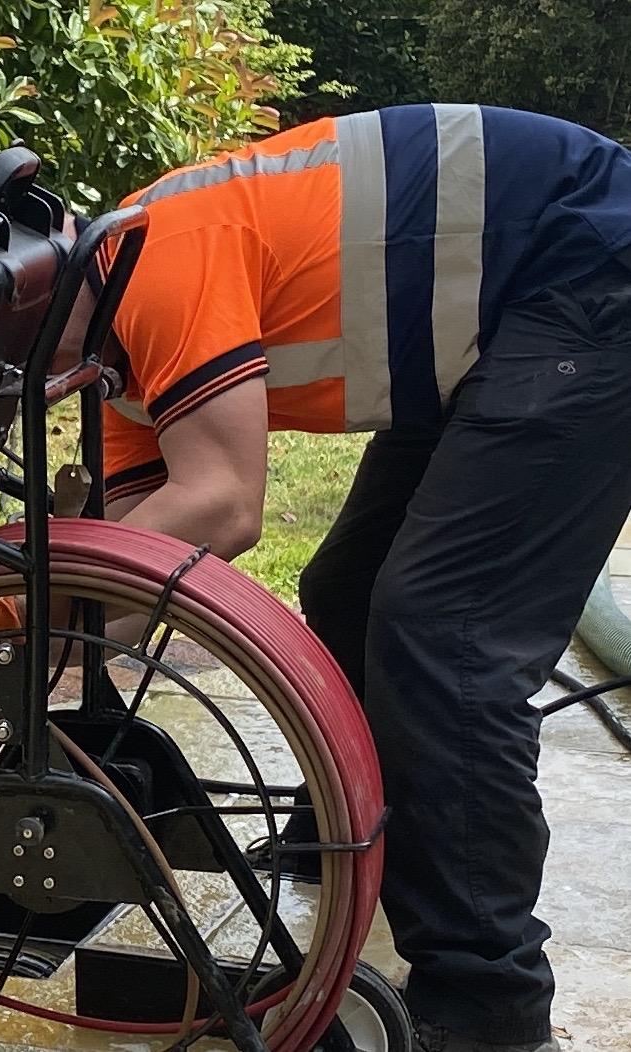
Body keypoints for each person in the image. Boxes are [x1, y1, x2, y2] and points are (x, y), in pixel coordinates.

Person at [54, 103, 631, 1052]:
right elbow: (134, 566)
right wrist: (34, 653)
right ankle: (363, 833)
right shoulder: (111, 361)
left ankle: (487, 1005)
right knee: (350, 594)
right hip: (487, 312)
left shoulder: (152, 263)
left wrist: (24, 609)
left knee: (445, 635)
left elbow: (222, 506)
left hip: (584, 271)